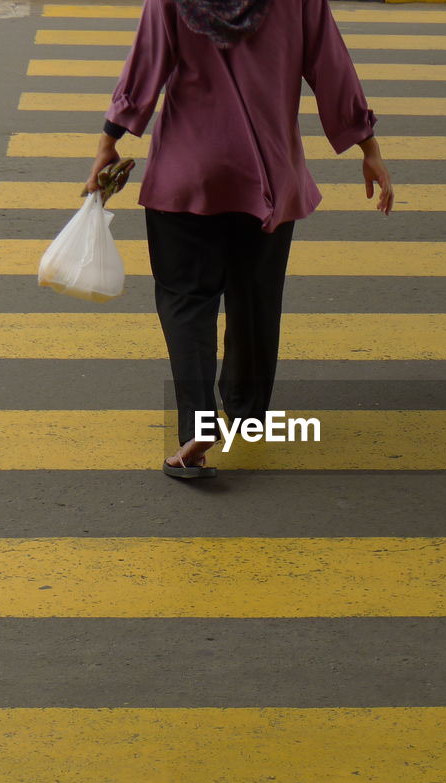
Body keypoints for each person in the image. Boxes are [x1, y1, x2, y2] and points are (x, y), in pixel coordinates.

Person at [84, 0, 394, 479]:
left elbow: (146, 65)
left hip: (189, 174)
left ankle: (195, 426)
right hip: (268, 174)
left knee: (186, 297)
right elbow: (332, 69)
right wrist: (368, 147)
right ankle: (247, 413)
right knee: (255, 296)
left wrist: (110, 140)